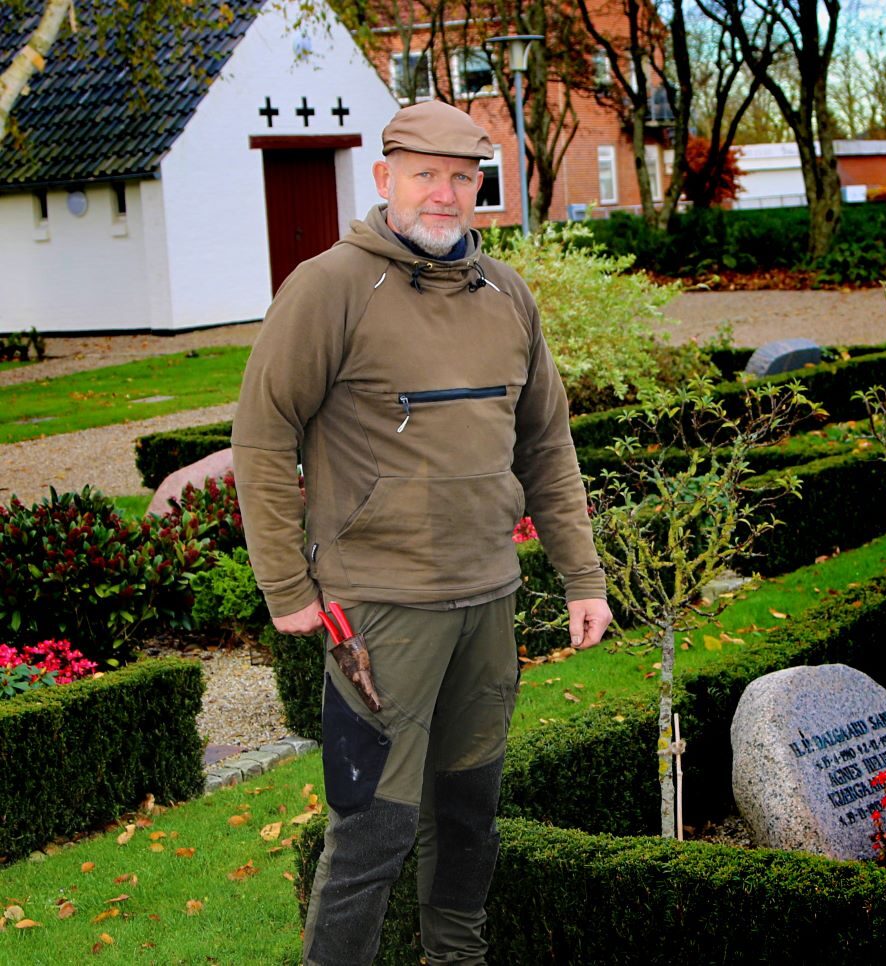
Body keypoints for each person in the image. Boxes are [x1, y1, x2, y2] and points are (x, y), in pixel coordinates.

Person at [232, 100, 612, 965]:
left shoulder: (507, 295)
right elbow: (261, 436)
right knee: (373, 828)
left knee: (469, 813)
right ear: (384, 179)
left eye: (461, 177)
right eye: (424, 176)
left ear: (480, 186)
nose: (443, 195)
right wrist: (288, 589)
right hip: (382, 610)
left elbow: (546, 443)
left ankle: (457, 958)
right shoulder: (328, 287)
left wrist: (581, 577)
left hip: (489, 598)